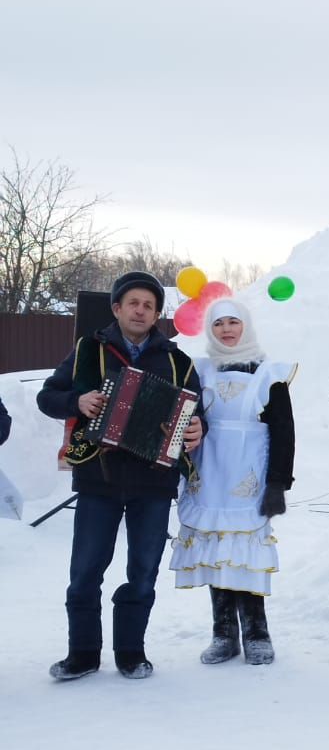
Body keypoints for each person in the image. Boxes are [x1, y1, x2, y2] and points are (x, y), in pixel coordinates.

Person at [36, 271, 205, 680]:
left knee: (144, 569)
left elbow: (195, 417)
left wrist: (199, 429)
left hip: (153, 483)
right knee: (87, 568)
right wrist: (80, 399)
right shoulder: (87, 351)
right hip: (100, 477)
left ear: (157, 314)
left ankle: (131, 652)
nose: (141, 310)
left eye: (149, 305)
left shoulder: (177, 362)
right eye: (134, 303)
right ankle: (83, 653)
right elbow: (47, 397)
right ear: (117, 308)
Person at [169, 298, 296, 666]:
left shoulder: (269, 373)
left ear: (246, 326)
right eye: (219, 323)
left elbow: (284, 433)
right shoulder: (199, 370)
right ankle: (223, 633)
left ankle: (257, 632)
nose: (226, 329)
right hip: (208, 472)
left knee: (244, 555)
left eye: (233, 322)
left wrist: (278, 484)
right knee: (215, 551)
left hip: (249, 476)